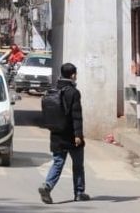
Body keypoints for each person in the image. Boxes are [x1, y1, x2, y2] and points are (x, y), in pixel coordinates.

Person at [38, 62, 88, 204]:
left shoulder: (53, 89)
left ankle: (47, 186)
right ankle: (79, 192)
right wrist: (78, 135)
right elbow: (76, 115)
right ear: (72, 75)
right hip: (71, 135)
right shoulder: (73, 92)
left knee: (58, 163)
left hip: (56, 133)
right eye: (75, 74)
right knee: (78, 165)